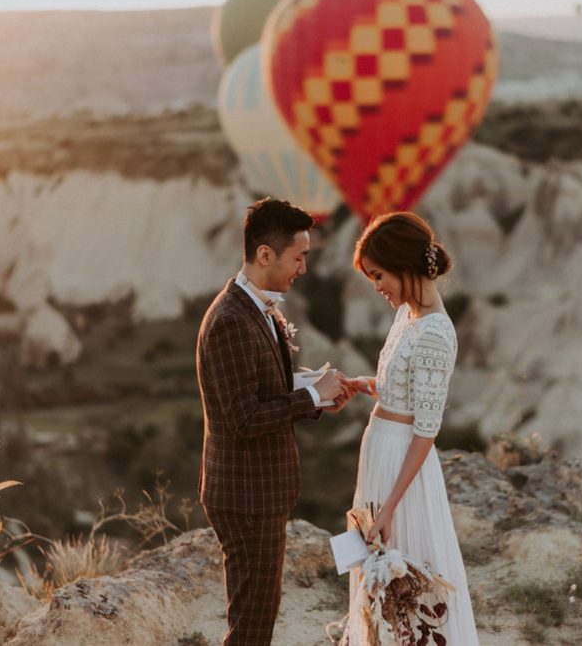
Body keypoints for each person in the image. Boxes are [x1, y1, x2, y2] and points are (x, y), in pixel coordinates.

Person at [197, 198, 351, 645]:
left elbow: (263, 387)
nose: (303, 267)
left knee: (255, 618)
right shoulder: (229, 320)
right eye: (299, 256)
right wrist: (308, 398)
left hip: (257, 490)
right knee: (251, 627)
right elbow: (243, 417)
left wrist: (316, 389)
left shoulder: (257, 310)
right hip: (246, 494)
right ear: (266, 254)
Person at [342, 211, 479, 645]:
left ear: (404, 265)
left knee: (405, 580)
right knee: (377, 578)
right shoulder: (408, 315)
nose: (377, 288)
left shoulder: (436, 332)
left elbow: (425, 429)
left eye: (379, 275)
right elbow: (401, 391)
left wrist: (389, 508)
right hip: (380, 454)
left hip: (403, 467)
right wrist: (363, 385)